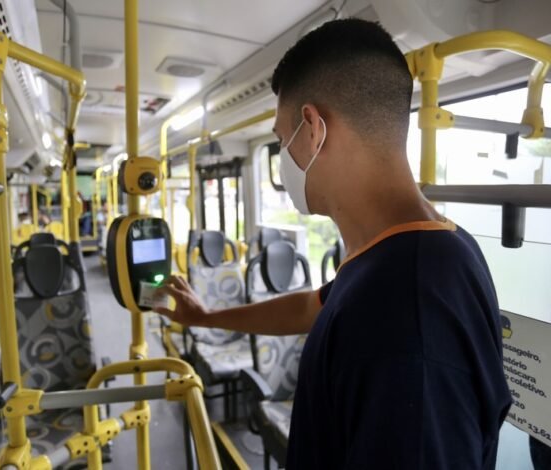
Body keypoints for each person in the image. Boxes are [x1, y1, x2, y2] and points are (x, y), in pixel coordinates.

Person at [156, 18, 512, 469]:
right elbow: (313, 307)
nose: (284, 154)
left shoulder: (408, 313)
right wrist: (206, 316)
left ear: (312, 129)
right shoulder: (411, 255)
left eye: (281, 140)